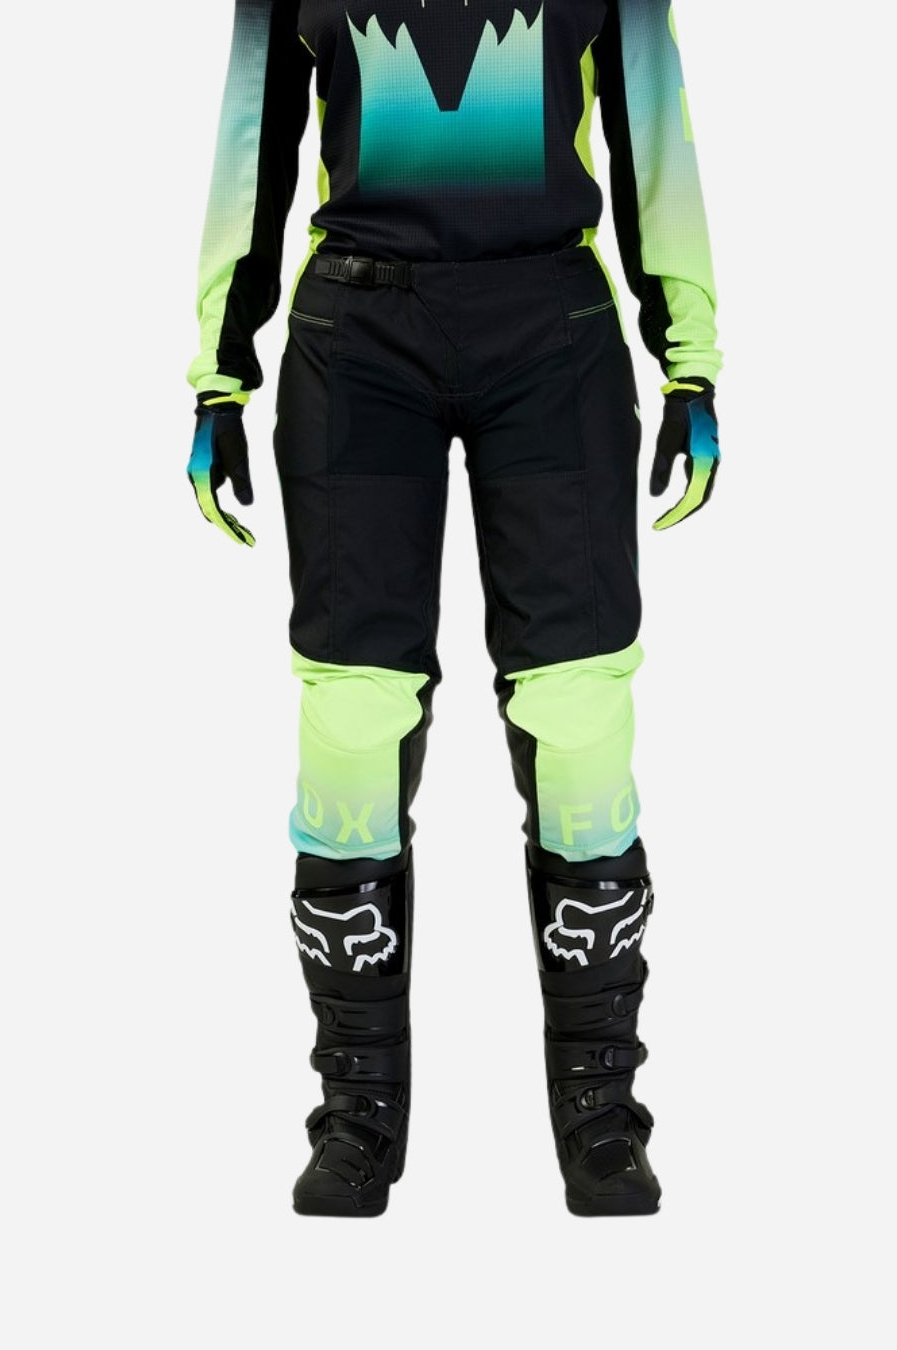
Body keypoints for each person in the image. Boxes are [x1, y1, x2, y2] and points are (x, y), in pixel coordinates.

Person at [186, 0, 722, 1218]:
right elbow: (252, 136)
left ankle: (601, 1110)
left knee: (580, 715)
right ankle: (356, 1113)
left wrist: (690, 356)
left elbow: (652, 127)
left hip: (554, 331)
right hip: (356, 340)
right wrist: (219, 374)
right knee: (351, 719)